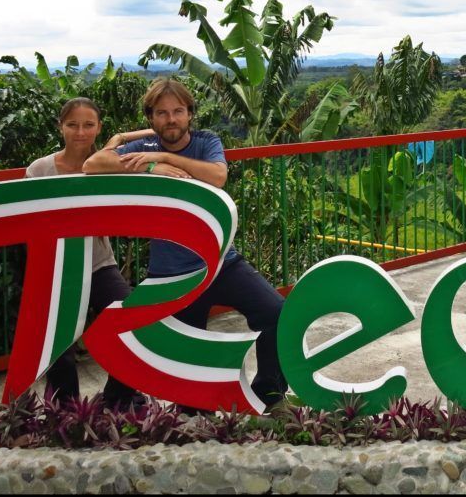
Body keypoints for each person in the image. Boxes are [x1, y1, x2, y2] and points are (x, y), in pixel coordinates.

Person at [83, 77, 288, 411]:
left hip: (221, 262)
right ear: (151, 118)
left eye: (178, 111)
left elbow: (217, 176)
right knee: (186, 362)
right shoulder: (144, 150)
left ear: (190, 113)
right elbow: (92, 165)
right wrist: (152, 163)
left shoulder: (206, 141)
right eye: (162, 113)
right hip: (173, 275)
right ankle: (183, 410)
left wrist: (168, 158)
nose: (171, 119)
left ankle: (269, 394)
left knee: (276, 313)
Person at [26, 97, 154, 408]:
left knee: (134, 323)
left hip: (99, 263)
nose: (80, 132)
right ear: (61, 127)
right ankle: (67, 412)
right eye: (72, 125)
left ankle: (117, 398)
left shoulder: (105, 165)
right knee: (59, 346)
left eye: (88, 125)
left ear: (98, 128)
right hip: (55, 266)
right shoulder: (39, 169)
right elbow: (29, 220)